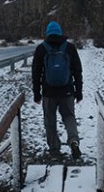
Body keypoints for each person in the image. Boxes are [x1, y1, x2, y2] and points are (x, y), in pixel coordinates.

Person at [32, 21, 83, 159]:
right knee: (69, 117)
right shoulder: (70, 48)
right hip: (67, 91)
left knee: (50, 120)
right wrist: (79, 92)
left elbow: (36, 73)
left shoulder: (41, 49)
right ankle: (73, 140)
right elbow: (77, 71)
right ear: (60, 32)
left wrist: (37, 93)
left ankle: (54, 150)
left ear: (47, 33)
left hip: (49, 92)